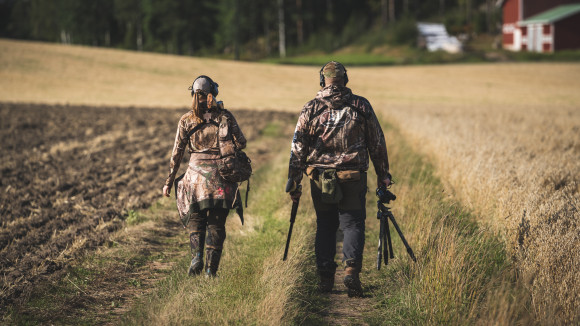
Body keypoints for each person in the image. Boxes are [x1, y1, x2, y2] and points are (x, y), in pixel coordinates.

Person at [286, 61, 391, 297]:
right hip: (353, 176)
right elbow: (377, 143)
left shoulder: (310, 108)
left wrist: (294, 180)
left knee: (326, 224)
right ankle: (351, 272)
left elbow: (298, 148)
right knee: (352, 223)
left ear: (323, 81)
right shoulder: (361, 106)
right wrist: (383, 175)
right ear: (346, 79)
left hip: (319, 177)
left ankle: (325, 279)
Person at [163, 75, 246, 277]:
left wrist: (168, 182)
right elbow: (241, 142)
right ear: (214, 93)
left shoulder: (186, 120)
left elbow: (176, 154)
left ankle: (196, 257)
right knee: (217, 225)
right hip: (221, 179)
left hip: (194, 180)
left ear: (193, 94)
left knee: (196, 220)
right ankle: (210, 271)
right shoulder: (225, 116)